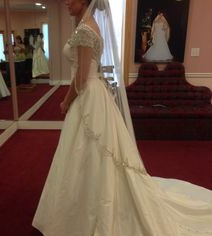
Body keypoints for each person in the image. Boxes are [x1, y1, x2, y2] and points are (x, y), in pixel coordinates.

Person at [32, 0, 212, 235]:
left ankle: (87, 203)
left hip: (88, 95)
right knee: (90, 151)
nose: (66, 2)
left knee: (88, 150)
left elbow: (82, 76)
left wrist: (66, 102)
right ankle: (87, 197)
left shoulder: (86, 29)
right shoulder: (88, 25)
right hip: (95, 94)